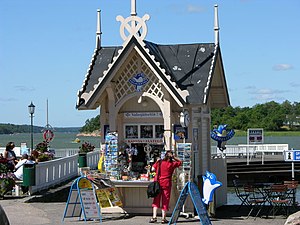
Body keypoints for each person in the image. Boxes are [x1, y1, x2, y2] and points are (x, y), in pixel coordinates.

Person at [149, 150, 182, 224]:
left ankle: (154, 217)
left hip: (158, 183)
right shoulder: (172, 164)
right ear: (171, 157)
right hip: (166, 183)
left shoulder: (159, 162)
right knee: (165, 200)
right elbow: (180, 162)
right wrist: (174, 158)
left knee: (156, 199)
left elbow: (152, 169)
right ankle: (163, 218)